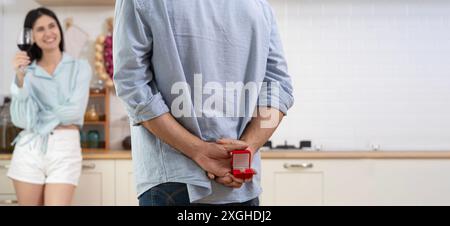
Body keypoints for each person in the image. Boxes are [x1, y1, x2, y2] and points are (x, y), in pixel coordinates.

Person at [113, 0, 294, 206]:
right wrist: (246, 149)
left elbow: (132, 85)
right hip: (238, 178)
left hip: (174, 179)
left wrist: (199, 150)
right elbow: (278, 88)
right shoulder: (258, 4)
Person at [7, 7, 92, 206]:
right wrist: (19, 79)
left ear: (59, 29)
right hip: (29, 148)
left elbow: (74, 112)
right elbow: (21, 120)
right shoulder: (26, 71)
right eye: (40, 29)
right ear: (32, 36)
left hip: (65, 148)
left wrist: (39, 117)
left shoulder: (80, 67)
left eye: (52, 26)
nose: (48, 33)